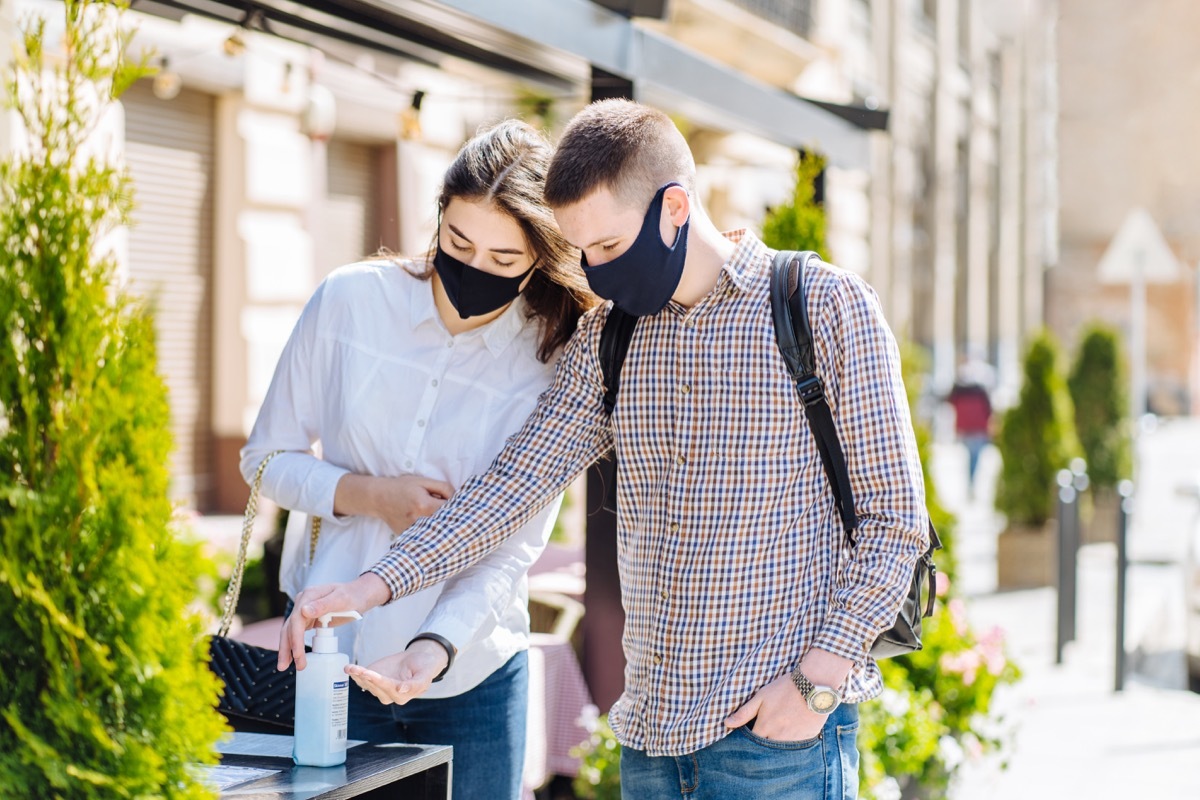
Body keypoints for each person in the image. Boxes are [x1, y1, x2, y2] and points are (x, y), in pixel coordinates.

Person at [279, 99, 929, 800]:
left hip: (777, 744)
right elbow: (505, 493)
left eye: (610, 249)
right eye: (582, 252)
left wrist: (815, 684)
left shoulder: (823, 307)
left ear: (675, 208)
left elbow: (896, 523)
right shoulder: (608, 342)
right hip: (649, 743)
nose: (595, 273)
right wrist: (368, 586)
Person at [240, 119, 595, 800]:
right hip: (328, 664)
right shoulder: (349, 301)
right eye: (460, 242)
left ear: (539, 260)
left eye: (503, 260)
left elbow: (513, 545)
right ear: (438, 217)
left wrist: (435, 647)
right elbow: (264, 459)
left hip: (473, 677)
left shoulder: (552, 358)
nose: (474, 269)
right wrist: (368, 494)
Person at [947, 354, 995, 497]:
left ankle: (971, 483)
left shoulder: (959, 388)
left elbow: (950, 402)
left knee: (971, 456)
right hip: (977, 428)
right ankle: (972, 483)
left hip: (965, 427)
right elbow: (989, 409)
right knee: (975, 457)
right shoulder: (981, 389)